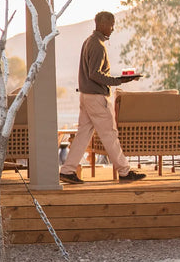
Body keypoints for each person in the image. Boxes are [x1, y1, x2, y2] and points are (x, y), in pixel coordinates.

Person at [59, 11, 146, 184]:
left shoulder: (88, 42)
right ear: (102, 24)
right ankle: (124, 171)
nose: (113, 29)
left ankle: (67, 170)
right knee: (110, 134)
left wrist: (118, 79)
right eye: (111, 24)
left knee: (83, 134)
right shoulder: (98, 45)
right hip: (97, 98)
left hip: (86, 96)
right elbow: (95, 74)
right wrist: (118, 81)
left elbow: (92, 73)